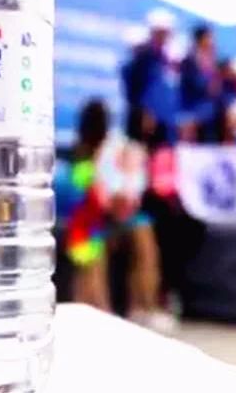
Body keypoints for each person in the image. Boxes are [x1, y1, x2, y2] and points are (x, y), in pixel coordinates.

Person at [64, 100, 174, 331]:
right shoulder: (79, 156)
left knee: (144, 235)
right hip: (85, 221)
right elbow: (82, 195)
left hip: (113, 216)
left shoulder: (113, 151)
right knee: (91, 246)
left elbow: (122, 189)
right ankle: (98, 312)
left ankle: (143, 307)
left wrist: (118, 206)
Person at [122, 9, 179, 148]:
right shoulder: (144, 55)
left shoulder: (163, 57)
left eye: (168, 32)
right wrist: (145, 112)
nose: (166, 36)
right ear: (155, 32)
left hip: (162, 121)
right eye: (163, 32)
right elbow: (134, 88)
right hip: (144, 121)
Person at [178, 25, 221, 142]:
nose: (212, 41)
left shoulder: (213, 60)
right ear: (201, 39)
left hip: (211, 113)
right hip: (194, 114)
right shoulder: (189, 60)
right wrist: (208, 87)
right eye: (209, 37)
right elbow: (190, 85)